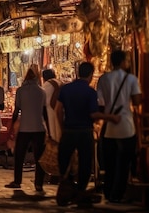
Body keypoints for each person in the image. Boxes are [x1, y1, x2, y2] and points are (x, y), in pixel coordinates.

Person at [56, 62, 121, 205]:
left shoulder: (66, 89)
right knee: (85, 163)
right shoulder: (90, 92)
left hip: (69, 131)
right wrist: (110, 117)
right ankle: (80, 191)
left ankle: (66, 188)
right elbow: (93, 114)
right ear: (91, 75)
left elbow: (58, 110)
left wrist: (62, 128)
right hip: (85, 132)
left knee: (64, 161)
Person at [96, 50, 142, 204]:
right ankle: (119, 193)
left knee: (109, 162)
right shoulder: (131, 79)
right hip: (126, 125)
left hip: (109, 126)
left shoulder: (103, 79)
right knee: (124, 162)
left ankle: (108, 192)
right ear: (123, 61)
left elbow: (100, 104)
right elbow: (136, 102)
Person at [5, 67, 49, 192]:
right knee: (38, 157)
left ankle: (17, 181)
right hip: (39, 127)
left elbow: (16, 111)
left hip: (25, 127)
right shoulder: (42, 91)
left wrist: (12, 126)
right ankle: (38, 183)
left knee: (19, 156)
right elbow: (44, 112)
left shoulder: (21, 91)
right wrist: (49, 129)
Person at [43, 69, 62, 142]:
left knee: (52, 131)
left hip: (49, 111)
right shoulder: (60, 82)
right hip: (59, 110)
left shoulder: (46, 85)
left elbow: (43, 101)